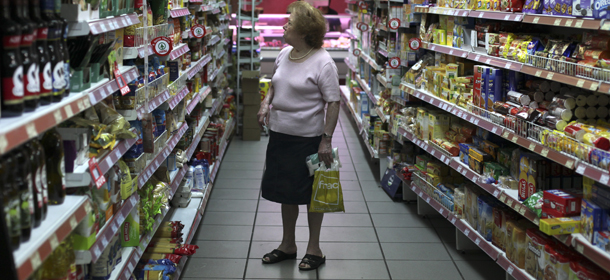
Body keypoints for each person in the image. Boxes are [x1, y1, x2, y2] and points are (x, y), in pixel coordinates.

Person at [256, 0, 340, 271]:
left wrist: (326, 139)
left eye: (289, 22)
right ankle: (288, 244)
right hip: (280, 135)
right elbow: (274, 83)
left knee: (312, 194)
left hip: (309, 139)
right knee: (286, 192)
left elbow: (334, 102)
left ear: (304, 30)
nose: (284, 25)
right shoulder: (285, 53)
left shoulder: (323, 62)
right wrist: (265, 102)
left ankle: (314, 248)